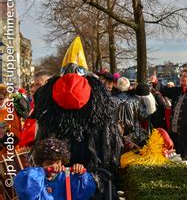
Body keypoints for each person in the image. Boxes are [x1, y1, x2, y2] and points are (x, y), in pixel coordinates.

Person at [32, 37, 122, 171]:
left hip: (59, 168)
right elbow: (108, 147)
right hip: (88, 169)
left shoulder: (49, 101)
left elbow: (42, 141)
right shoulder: (99, 100)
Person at [158, 66, 187, 158]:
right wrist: (156, 82)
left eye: (185, 76)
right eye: (181, 76)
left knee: (186, 159)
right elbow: (164, 90)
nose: (182, 78)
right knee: (174, 158)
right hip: (174, 133)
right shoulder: (177, 91)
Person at [112, 78, 148, 148]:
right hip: (133, 134)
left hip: (116, 134)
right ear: (128, 87)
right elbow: (143, 115)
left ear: (117, 85)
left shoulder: (110, 99)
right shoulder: (135, 99)